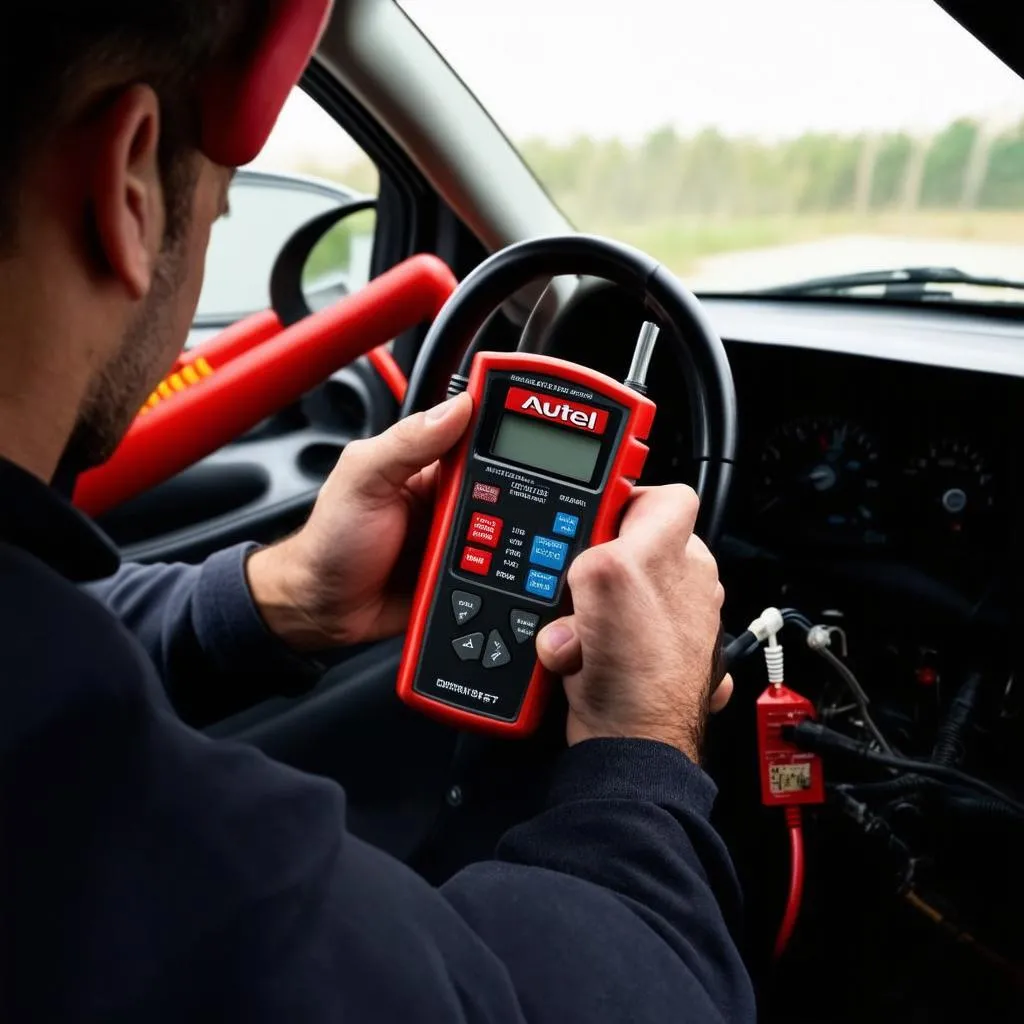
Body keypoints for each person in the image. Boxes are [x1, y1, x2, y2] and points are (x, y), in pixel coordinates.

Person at [0, 2, 754, 1021]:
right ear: (129, 183)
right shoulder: (156, 851)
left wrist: (275, 596)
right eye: (220, 209)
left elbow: (46, 632)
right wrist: (644, 748)